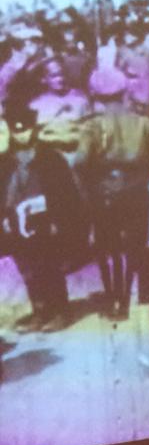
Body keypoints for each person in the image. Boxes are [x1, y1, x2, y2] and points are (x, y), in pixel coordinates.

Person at [81, 66, 149, 320]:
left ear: (96, 95)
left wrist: (95, 183)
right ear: (124, 93)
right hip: (136, 191)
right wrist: (140, 178)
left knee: (106, 247)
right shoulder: (142, 123)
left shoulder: (92, 126)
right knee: (133, 247)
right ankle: (126, 303)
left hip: (104, 193)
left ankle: (112, 298)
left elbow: (80, 162)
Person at [0, 97, 85, 333]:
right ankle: (40, 311)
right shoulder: (5, 161)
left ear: (34, 128)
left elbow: (66, 193)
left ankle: (60, 311)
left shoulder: (50, 158)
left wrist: (59, 218)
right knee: (28, 269)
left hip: (45, 221)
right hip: (16, 222)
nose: (21, 135)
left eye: (25, 129)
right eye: (16, 131)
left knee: (49, 267)